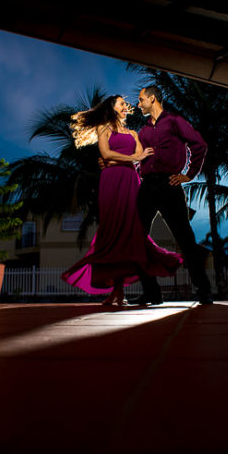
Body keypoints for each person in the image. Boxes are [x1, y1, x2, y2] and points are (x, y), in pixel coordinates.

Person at [61, 94, 183, 306]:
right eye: (121, 103)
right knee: (112, 231)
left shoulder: (133, 133)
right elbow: (106, 153)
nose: (125, 106)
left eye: (126, 104)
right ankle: (117, 291)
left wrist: (133, 158)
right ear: (112, 108)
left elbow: (139, 155)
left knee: (130, 232)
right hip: (111, 181)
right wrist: (131, 158)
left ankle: (120, 292)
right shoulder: (104, 128)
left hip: (130, 181)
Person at [128, 85, 214, 305]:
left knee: (186, 238)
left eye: (141, 100)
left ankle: (204, 290)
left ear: (152, 99)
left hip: (170, 184)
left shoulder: (175, 121)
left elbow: (199, 145)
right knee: (136, 239)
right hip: (147, 187)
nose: (138, 104)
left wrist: (189, 174)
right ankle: (151, 292)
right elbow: (139, 159)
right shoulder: (144, 131)